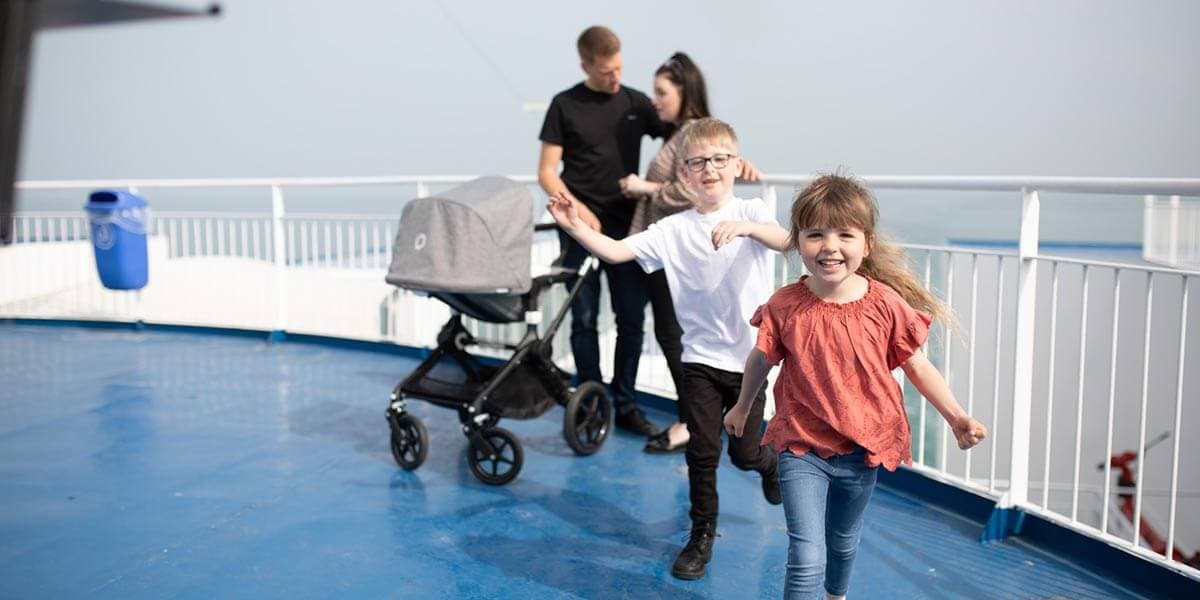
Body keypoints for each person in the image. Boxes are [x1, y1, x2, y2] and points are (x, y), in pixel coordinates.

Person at [722, 173, 989, 599]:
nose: (830, 246)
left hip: (861, 445)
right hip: (801, 445)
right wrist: (741, 406)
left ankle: (836, 596)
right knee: (806, 553)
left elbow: (916, 364)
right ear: (797, 242)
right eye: (815, 234)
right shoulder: (785, 306)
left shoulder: (884, 303)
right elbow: (761, 357)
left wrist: (956, 416)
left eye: (845, 234)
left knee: (842, 542)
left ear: (866, 244)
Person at [547, 118, 786, 581]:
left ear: (735, 165)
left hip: (750, 363)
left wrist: (746, 228)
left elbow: (787, 242)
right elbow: (615, 251)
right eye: (698, 163)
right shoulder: (672, 229)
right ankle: (701, 535)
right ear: (684, 176)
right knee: (701, 452)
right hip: (697, 360)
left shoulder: (754, 213)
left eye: (719, 160)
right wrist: (573, 225)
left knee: (743, 454)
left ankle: (767, 464)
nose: (710, 169)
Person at [617, 52, 763, 455]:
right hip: (669, 242)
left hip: (685, 246)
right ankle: (694, 418)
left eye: (661, 92)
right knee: (670, 336)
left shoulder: (695, 135)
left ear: (685, 90)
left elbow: (690, 188)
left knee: (675, 336)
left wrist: (642, 188)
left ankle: (692, 422)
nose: (654, 100)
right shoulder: (680, 133)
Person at [537, 25, 667, 437]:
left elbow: (682, 132)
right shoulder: (564, 105)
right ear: (586, 65)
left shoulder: (634, 102)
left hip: (628, 229)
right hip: (578, 228)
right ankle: (591, 403)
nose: (615, 78)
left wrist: (732, 158)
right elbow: (546, 173)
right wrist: (579, 214)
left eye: (619, 68)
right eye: (607, 71)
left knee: (632, 318)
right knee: (584, 318)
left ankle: (626, 405)